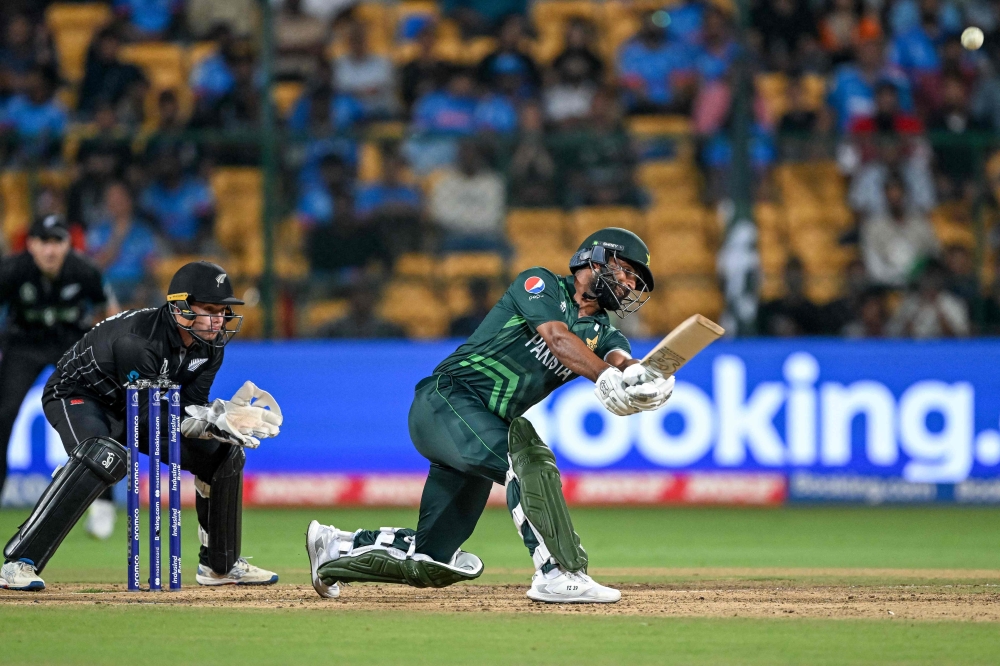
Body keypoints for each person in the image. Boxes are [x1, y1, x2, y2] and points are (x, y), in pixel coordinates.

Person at [305, 228, 674, 603]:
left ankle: (336, 546)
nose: (629, 285)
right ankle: (559, 572)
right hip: (445, 401)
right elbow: (559, 339)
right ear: (596, 258)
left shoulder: (604, 333)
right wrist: (606, 376)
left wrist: (643, 380)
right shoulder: (540, 283)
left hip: (480, 427)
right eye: (626, 271)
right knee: (527, 458)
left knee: (432, 560)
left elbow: (623, 362)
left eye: (636, 281)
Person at [0, 261, 282, 591]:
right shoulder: (139, 342)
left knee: (225, 454)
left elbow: (187, 405)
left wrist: (215, 424)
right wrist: (207, 423)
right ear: (181, 308)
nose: (218, 320)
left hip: (139, 404)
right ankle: (19, 562)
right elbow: (148, 421)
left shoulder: (210, 347)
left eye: (222, 311)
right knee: (102, 455)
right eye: (209, 309)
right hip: (80, 395)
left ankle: (219, 565)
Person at [0, 216, 113, 507]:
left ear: (67, 245)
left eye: (57, 242)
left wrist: (105, 350)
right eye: (44, 242)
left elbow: (107, 310)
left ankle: (103, 499)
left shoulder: (84, 269)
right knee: (4, 414)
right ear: (31, 245)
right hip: (23, 343)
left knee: (96, 407)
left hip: (70, 343)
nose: (50, 251)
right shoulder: (13, 270)